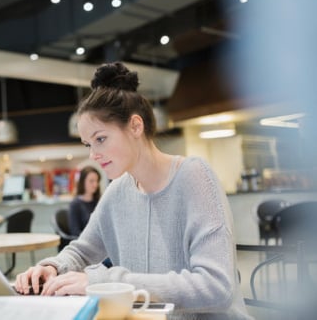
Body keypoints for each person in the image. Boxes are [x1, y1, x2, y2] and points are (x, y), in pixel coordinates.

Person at [15, 62, 252, 319]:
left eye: (101, 139)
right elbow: (83, 250)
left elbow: (217, 288)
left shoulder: (194, 177)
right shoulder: (118, 191)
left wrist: (104, 283)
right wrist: (52, 267)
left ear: (135, 126)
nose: (94, 155)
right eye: (88, 144)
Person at [68, 166, 101, 237]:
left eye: (97, 181)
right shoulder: (75, 205)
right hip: (86, 244)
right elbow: (75, 232)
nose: (95, 184)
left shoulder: (99, 202)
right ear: (83, 182)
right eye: (91, 181)